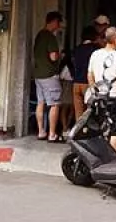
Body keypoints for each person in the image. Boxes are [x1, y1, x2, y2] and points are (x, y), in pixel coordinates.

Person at [88, 27, 116, 151]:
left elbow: (90, 74)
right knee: (115, 131)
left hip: (98, 99)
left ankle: (101, 156)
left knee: (99, 129)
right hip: (115, 99)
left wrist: (93, 90)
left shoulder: (95, 54)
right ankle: (114, 161)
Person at [33, 11, 64, 143]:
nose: (59, 25)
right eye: (58, 22)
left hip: (38, 75)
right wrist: (59, 55)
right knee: (55, 104)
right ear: (52, 21)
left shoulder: (39, 35)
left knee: (41, 102)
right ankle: (52, 134)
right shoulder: (50, 37)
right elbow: (53, 56)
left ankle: (41, 131)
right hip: (49, 75)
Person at [71, 26, 100, 120]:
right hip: (88, 83)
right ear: (94, 36)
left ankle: (78, 132)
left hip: (76, 83)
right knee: (90, 112)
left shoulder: (77, 49)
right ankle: (88, 133)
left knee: (78, 114)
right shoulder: (95, 49)